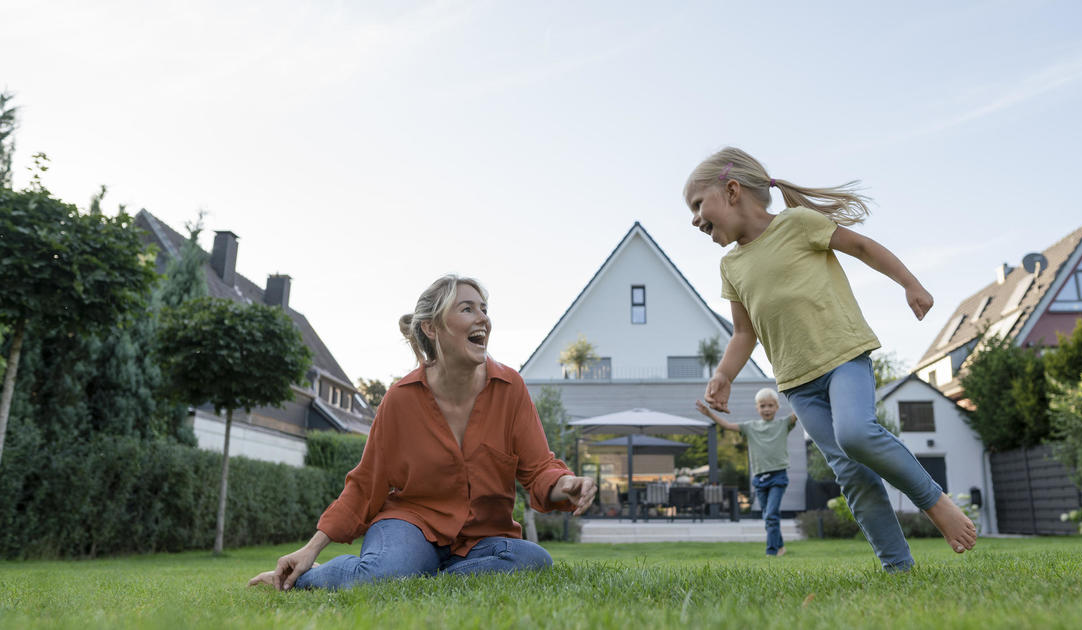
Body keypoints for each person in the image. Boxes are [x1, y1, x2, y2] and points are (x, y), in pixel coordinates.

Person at [683, 147, 976, 573]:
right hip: (797, 384)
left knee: (855, 433)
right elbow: (744, 332)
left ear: (731, 190)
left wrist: (909, 283)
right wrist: (724, 374)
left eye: (697, 204)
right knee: (851, 473)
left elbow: (861, 246)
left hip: (843, 357)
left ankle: (934, 502)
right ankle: (899, 569)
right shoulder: (731, 266)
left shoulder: (798, 224)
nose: (694, 219)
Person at [248, 275, 597, 591]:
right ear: (432, 328)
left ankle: (416, 576)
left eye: (484, 309)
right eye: (467, 309)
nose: (483, 318)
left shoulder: (510, 388)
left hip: (482, 539)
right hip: (410, 525)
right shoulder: (401, 399)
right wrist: (310, 549)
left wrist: (565, 483)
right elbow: (366, 484)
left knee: (533, 561)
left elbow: (539, 469)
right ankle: (316, 578)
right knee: (385, 574)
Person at [696, 388, 797, 557]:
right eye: (763, 406)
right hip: (759, 478)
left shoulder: (783, 424)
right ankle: (780, 546)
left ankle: (771, 552)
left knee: (771, 514)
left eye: (770, 405)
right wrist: (709, 414)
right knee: (768, 516)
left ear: (777, 407)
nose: (767, 409)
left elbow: (799, 412)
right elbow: (727, 425)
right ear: (757, 408)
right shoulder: (750, 427)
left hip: (778, 476)